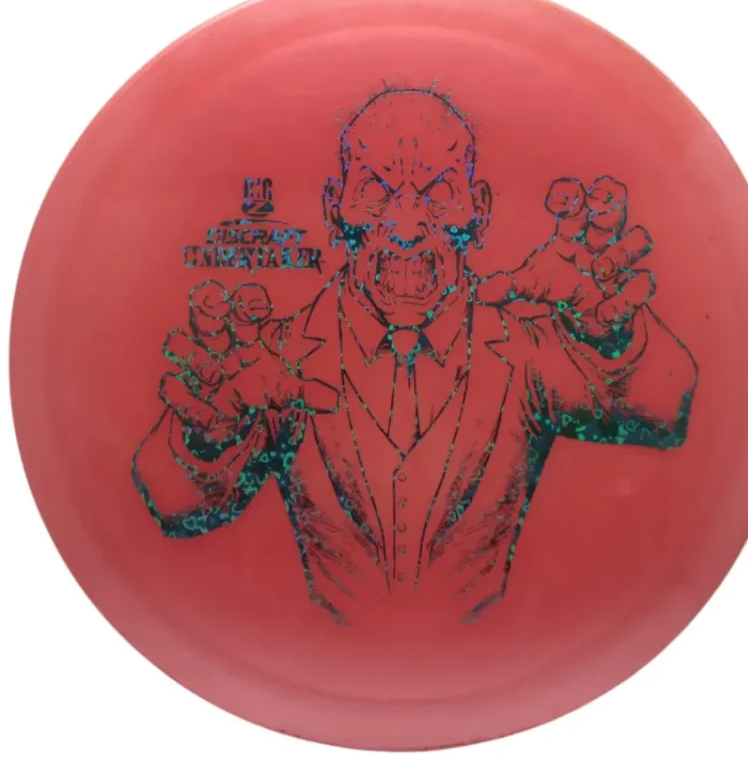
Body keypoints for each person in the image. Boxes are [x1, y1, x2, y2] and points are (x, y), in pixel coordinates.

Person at [132, 87, 698, 626]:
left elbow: (665, 408)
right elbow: (173, 504)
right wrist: (204, 439)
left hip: (512, 658)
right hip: (309, 663)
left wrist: (612, 337)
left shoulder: (523, 350)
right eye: (375, 191)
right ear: (333, 209)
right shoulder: (276, 359)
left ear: (479, 211)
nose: (405, 226)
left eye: (438, 192)